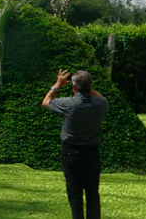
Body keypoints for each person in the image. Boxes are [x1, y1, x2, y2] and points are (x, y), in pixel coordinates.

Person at [41, 69, 109, 219]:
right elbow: (102, 98)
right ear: (90, 86)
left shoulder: (69, 104)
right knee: (92, 192)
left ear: (74, 87)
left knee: (74, 191)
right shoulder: (100, 104)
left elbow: (46, 101)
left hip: (71, 152)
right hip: (92, 152)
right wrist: (88, 89)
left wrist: (58, 84)